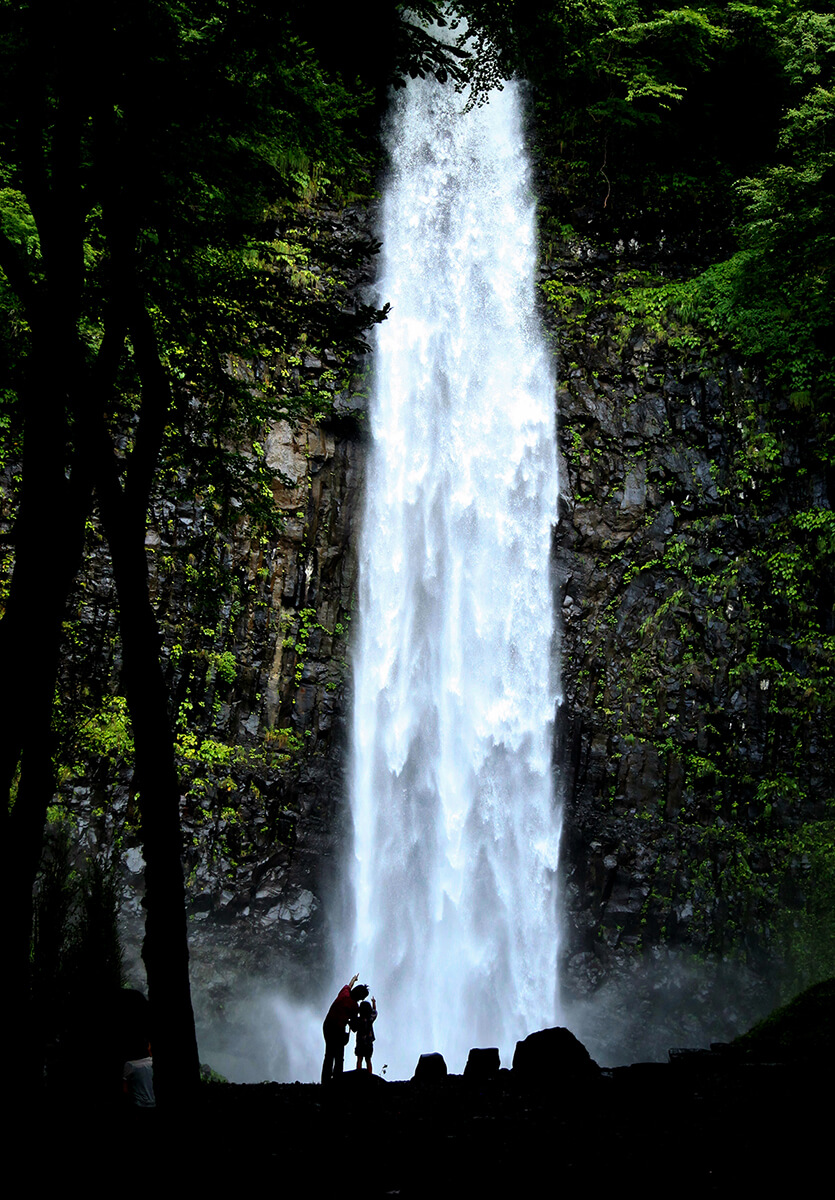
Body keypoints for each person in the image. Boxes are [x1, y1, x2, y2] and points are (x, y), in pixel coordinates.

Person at [321, 972, 369, 1083]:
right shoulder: (353, 1006)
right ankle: (336, 1082)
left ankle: (325, 1082)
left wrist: (353, 979)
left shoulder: (345, 993)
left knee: (328, 1055)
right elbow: (354, 1026)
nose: (361, 1000)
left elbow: (349, 985)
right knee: (338, 1057)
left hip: (327, 1025)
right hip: (337, 1030)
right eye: (362, 998)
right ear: (360, 997)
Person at [354, 995, 377, 1074]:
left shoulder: (358, 1020)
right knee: (368, 1060)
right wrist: (374, 1002)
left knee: (359, 1059)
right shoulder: (370, 1019)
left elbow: (353, 1027)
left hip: (360, 1043)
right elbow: (374, 1011)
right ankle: (370, 1075)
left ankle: (358, 1074)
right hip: (368, 1044)